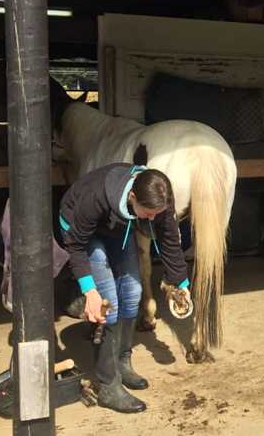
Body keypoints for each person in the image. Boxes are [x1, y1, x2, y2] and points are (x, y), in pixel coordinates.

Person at [59, 164, 190, 413]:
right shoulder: (96, 197)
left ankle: (123, 362)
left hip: (119, 225)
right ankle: (108, 386)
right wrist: (90, 291)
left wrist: (180, 283)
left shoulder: (160, 197)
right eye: (148, 213)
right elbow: (75, 244)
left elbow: (169, 238)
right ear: (132, 197)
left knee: (132, 292)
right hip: (80, 229)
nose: (153, 218)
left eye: (157, 213)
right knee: (108, 302)